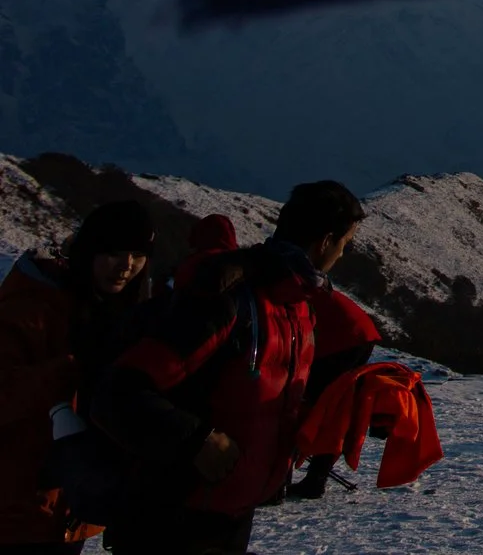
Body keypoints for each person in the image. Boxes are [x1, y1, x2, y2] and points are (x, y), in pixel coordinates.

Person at [91, 181, 364, 555]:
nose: (342, 255)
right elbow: (120, 392)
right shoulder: (231, 303)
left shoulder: (298, 308)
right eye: (345, 244)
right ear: (325, 241)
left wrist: (330, 416)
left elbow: (257, 396)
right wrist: (195, 439)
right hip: (171, 520)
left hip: (231, 515)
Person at [0, 200, 156, 552]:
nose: (126, 266)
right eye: (113, 253)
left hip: (73, 506)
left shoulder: (119, 317)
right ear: (88, 251)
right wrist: (66, 373)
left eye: (137, 255)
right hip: (18, 505)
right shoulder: (31, 308)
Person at [284, 278, 382, 499]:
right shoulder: (301, 289)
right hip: (358, 335)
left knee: (310, 406)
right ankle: (314, 478)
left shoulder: (289, 296)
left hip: (345, 341)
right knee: (334, 408)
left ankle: (287, 477)